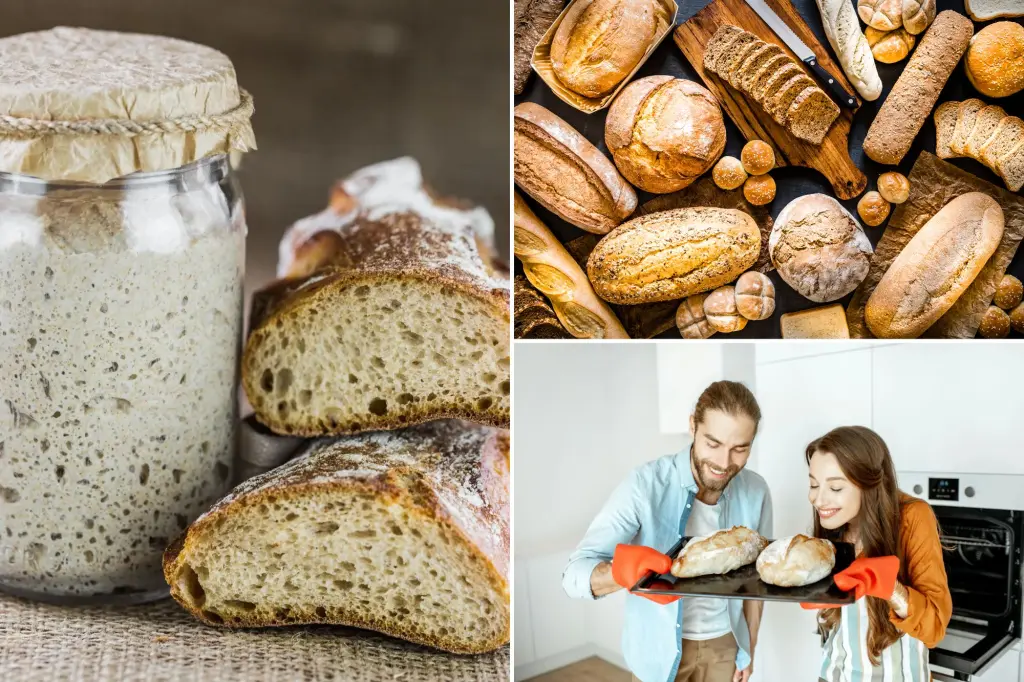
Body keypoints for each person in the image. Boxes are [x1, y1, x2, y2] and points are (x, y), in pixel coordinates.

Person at [562, 381, 773, 682]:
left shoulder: (756, 491)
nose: (724, 463)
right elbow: (573, 575)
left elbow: (757, 585)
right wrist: (620, 573)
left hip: (725, 646)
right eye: (713, 444)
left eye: (740, 449)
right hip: (656, 653)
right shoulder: (644, 485)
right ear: (692, 426)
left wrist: (748, 650)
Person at [803, 426, 952, 682]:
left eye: (835, 488)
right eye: (814, 484)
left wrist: (893, 590)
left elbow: (934, 629)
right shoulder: (834, 523)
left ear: (869, 485)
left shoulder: (912, 518)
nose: (817, 499)